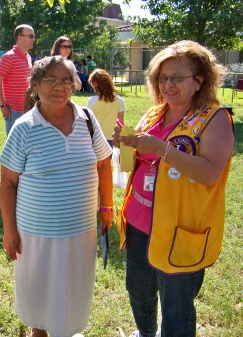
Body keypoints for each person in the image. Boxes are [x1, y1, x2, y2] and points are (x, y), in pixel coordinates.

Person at [113, 40, 234, 337]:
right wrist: (125, 144)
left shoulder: (215, 118)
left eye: (176, 78)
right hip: (140, 223)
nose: (167, 84)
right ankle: (145, 332)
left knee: (177, 308)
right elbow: (136, 163)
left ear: (199, 81)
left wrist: (162, 149)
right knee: (138, 291)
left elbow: (209, 173)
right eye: (162, 78)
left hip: (180, 230)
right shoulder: (155, 113)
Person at [0, 56, 113, 337]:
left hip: (81, 231)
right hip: (37, 234)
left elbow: (103, 163)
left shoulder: (87, 120)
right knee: (40, 295)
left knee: (73, 292)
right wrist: (10, 232)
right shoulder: (24, 128)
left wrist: (107, 206)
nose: (60, 87)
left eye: (66, 81)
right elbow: (8, 183)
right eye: (51, 80)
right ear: (35, 86)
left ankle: (67, 331)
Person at [0, 24, 34, 135]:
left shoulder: (28, 57)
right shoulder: (8, 57)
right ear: (20, 38)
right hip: (14, 112)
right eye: (30, 36)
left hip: (28, 109)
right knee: (14, 148)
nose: (33, 39)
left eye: (34, 36)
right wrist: (2, 105)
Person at [87, 68, 125, 146]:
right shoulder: (119, 100)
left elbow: (88, 123)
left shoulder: (92, 101)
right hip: (110, 139)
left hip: (95, 139)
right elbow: (121, 124)